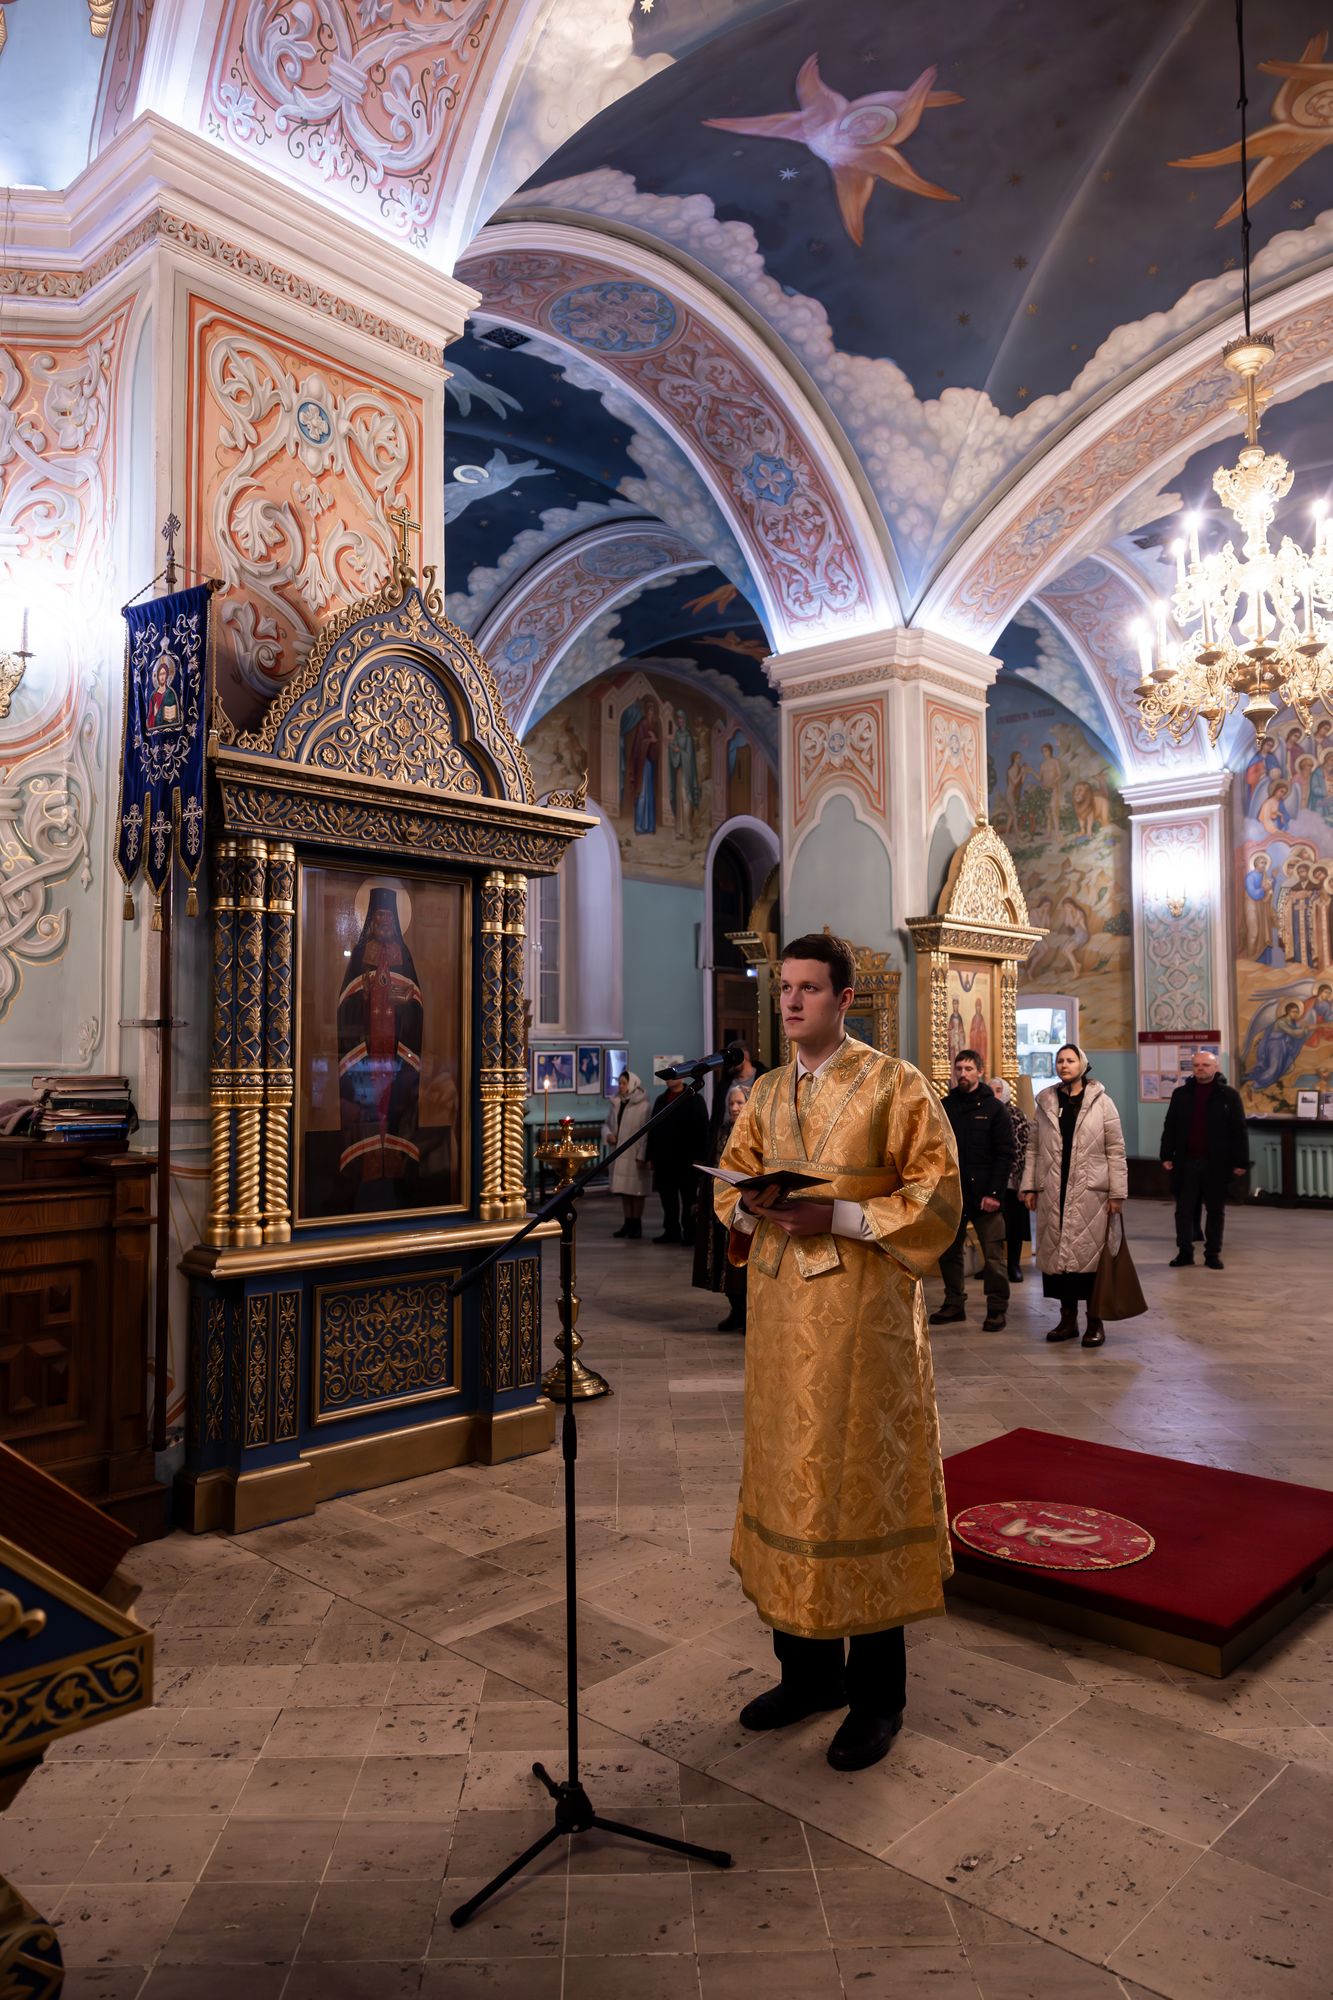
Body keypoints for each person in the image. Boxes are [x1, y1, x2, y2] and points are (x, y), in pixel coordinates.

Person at [714, 932, 961, 1773]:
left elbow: (936, 1196)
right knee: (790, 1482)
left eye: (808, 988)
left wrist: (840, 1217)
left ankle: (877, 1697)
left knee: (858, 1489)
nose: (790, 1001)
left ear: (843, 999)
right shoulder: (765, 1091)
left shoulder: (897, 1085)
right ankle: (807, 1675)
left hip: (862, 1326)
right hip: (781, 1323)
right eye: (783, 987)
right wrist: (745, 1206)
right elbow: (732, 1179)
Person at [1021, 1044, 1126, 1349]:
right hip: (1054, 1188)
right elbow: (1033, 1148)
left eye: (1070, 1060)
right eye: (1060, 1061)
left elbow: (1116, 1150)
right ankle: (1067, 1321)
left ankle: (1095, 1322)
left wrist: (1117, 1193)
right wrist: (1029, 1186)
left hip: (1091, 1192)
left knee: (1089, 1258)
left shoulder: (1102, 1103)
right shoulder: (1046, 1102)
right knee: (1059, 1259)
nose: (1064, 1065)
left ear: (1083, 1064)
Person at [337, 886, 422, 1206]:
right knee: (367, 1107)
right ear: (370, 921)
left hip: (397, 1051)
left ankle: (399, 1177)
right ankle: (362, 1174)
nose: (384, 923)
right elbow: (346, 1002)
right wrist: (367, 994)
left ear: (396, 921)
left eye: (389, 918)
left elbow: (416, 1001)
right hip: (367, 1051)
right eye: (379, 917)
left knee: (396, 1106)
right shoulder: (360, 954)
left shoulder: (405, 955)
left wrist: (405, 1001)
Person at [931, 1052, 1013, 1332]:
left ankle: (997, 1308)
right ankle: (954, 1303)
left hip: (986, 1194)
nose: (963, 1073)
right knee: (949, 1253)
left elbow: (1005, 1154)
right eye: (959, 1068)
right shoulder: (945, 1107)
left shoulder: (995, 1109)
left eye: (968, 1068)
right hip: (953, 1194)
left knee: (993, 1255)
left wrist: (995, 1193)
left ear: (980, 1071)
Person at [1161, 1049, 1249, 1269]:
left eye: (1205, 1065)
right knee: (1183, 1210)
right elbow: (1170, 1126)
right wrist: (1166, 1154)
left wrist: (1241, 1161)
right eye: (1197, 1065)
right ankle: (1185, 1252)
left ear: (1216, 1067)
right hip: (1186, 1162)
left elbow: (1239, 1130)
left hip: (1217, 1163)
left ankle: (1212, 1254)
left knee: (1215, 1210)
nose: (1200, 1068)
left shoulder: (1228, 1095)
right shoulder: (1181, 1094)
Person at [693, 1081, 750, 1330]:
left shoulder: (756, 1130)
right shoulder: (723, 1129)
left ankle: (748, 1314)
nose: (734, 1107)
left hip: (745, 1204)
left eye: (739, 1103)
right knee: (722, 1259)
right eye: (731, 1103)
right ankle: (735, 1310)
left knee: (742, 1263)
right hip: (721, 1202)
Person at [645, 1073, 709, 1244]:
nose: (669, 1079)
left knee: (689, 1198)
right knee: (668, 1198)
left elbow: (702, 1129)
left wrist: (700, 1157)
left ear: (681, 1078)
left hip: (687, 1158)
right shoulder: (661, 1100)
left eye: (673, 1076)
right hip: (664, 1158)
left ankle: (690, 1231)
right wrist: (650, 1155)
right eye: (667, 1076)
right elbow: (653, 1129)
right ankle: (671, 1230)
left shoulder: (694, 1099)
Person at [990, 1076, 1031, 1282]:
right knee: (991, 1226)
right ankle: (992, 1265)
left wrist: (1023, 1182)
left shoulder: (1016, 1115)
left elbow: (1023, 1149)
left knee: (1014, 1225)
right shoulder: (985, 1112)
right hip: (990, 1180)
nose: (994, 1094)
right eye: (991, 1090)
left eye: (998, 1090)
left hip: (1013, 1181)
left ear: (1005, 1092)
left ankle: (1014, 1264)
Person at [603, 1070, 651, 1239]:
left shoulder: (643, 1105)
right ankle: (628, 1222)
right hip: (620, 1152)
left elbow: (646, 1133)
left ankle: (636, 1224)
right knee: (624, 1190)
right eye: (619, 1083)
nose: (620, 1086)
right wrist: (608, 1134)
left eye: (624, 1083)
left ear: (632, 1084)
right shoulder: (617, 1103)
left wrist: (642, 1155)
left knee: (636, 1191)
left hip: (634, 1153)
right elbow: (607, 1124)